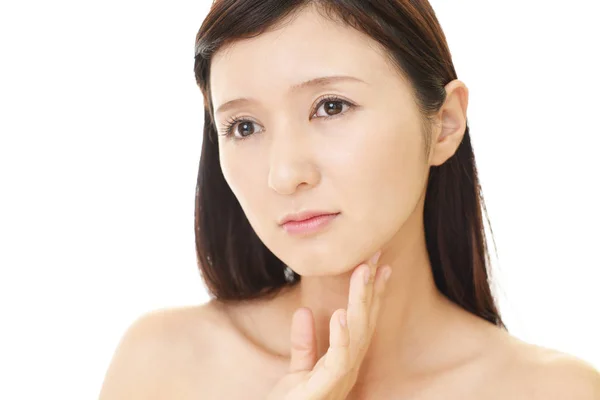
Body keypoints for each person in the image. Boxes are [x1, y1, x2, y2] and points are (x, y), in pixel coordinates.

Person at [99, 1, 600, 399]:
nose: (285, 173)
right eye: (244, 126)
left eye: (330, 107)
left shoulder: (555, 392)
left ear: (444, 123)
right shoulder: (163, 366)